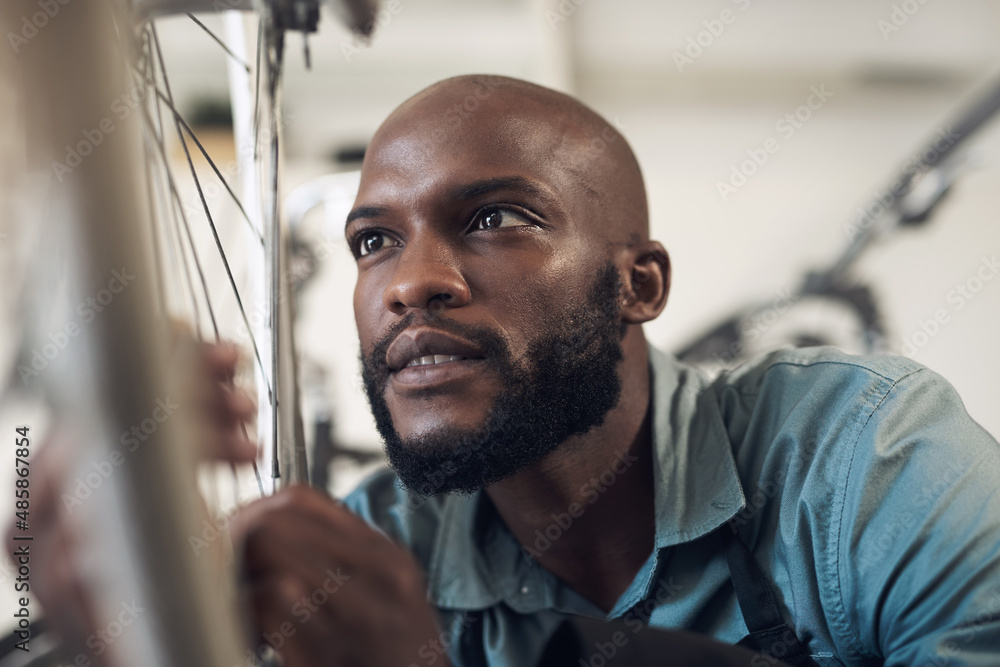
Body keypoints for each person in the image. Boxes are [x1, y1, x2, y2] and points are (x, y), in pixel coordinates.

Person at [14, 75, 1000, 667]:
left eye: (493, 220)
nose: (412, 283)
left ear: (639, 284)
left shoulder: (868, 460)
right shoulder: (371, 550)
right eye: (372, 242)